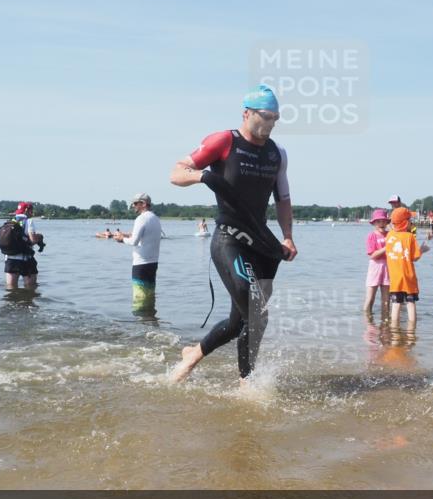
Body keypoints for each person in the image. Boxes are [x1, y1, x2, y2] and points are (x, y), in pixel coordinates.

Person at [168, 84, 297, 382]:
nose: (270, 123)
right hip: (230, 240)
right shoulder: (224, 141)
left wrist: (288, 236)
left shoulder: (277, 153)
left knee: (240, 322)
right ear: (247, 113)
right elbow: (176, 173)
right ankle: (246, 384)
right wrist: (203, 176)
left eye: (275, 118)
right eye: (265, 116)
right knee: (257, 313)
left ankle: (193, 354)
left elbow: (283, 200)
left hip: (263, 247)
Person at [113, 193, 162, 314]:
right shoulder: (155, 218)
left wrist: (121, 239)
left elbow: (134, 241)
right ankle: (151, 320)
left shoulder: (141, 218)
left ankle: (141, 326)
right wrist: (125, 234)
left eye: (135, 203)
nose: (133, 206)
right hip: (153, 263)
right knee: (149, 296)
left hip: (141, 264)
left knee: (139, 297)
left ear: (144, 204)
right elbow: (145, 236)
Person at [385, 207, 428, 327]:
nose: (412, 222)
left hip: (395, 277)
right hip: (408, 276)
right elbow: (415, 257)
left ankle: (394, 331)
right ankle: (411, 331)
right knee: (410, 302)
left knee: (396, 303)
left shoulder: (389, 236)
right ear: (405, 222)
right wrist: (422, 250)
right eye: (410, 220)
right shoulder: (410, 237)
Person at [4, 202, 44, 290]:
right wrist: (40, 237)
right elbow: (32, 240)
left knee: (11, 289)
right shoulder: (29, 221)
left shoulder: (10, 221)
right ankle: (27, 301)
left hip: (10, 259)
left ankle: (13, 303)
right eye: (31, 211)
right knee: (30, 288)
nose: (32, 213)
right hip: (25, 259)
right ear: (27, 210)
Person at [363, 209, 391, 317]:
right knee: (370, 298)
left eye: (384, 221)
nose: (381, 224)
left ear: (387, 222)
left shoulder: (390, 234)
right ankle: (367, 319)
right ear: (374, 223)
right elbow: (372, 255)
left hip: (388, 267)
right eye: (378, 221)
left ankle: (385, 322)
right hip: (375, 267)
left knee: (386, 299)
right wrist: (385, 248)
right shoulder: (372, 236)